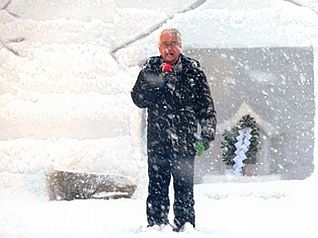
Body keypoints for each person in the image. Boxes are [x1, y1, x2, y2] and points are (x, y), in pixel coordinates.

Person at [131, 28, 217, 232]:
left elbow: (206, 107)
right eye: (165, 44)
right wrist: (158, 81)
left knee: (184, 190)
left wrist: (205, 137)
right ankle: (157, 227)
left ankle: (185, 228)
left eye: (173, 44)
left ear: (180, 46)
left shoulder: (193, 70)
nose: (169, 48)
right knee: (157, 190)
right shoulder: (150, 69)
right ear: (159, 47)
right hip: (157, 142)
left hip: (185, 142)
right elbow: (138, 99)